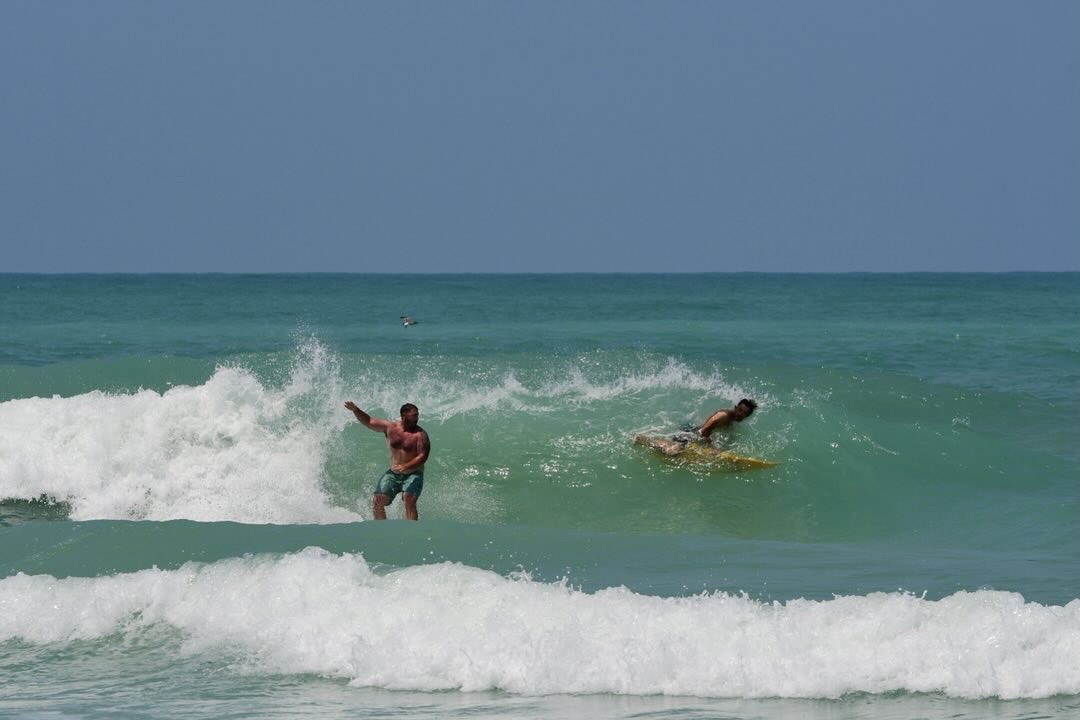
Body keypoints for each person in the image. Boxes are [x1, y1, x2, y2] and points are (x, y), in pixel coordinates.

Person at [344, 400, 431, 520]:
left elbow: (423, 456)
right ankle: (381, 529)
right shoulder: (390, 428)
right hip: (394, 473)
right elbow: (369, 421)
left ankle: (412, 531)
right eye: (414, 416)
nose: (417, 418)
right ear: (404, 415)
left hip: (414, 473)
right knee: (377, 501)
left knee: (409, 499)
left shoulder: (420, 435)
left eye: (417, 415)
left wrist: (406, 466)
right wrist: (355, 410)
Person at [633, 398, 757, 457]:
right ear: (736, 407)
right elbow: (706, 429)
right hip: (692, 433)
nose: (740, 414)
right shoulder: (724, 416)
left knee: (673, 452)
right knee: (672, 452)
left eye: (744, 413)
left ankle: (645, 440)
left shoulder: (732, 419)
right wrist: (710, 446)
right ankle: (643, 440)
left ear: (747, 416)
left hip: (693, 431)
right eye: (740, 410)